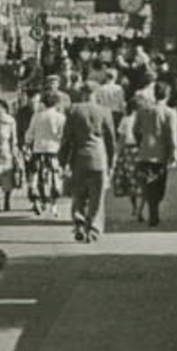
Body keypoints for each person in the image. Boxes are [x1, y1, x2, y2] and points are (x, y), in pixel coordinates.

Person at [59, 82, 117, 242]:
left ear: (82, 93)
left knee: (79, 193)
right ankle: (92, 228)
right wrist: (112, 162)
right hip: (99, 158)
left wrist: (62, 161)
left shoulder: (73, 110)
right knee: (97, 196)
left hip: (78, 158)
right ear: (96, 94)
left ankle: (78, 219)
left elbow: (66, 139)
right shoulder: (105, 111)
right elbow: (111, 140)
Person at [131, 81, 177, 227]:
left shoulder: (143, 110)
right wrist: (174, 153)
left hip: (145, 152)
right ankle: (154, 212)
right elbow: (172, 135)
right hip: (161, 154)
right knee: (158, 185)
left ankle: (153, 211)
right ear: (168, 95)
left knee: (148, 184)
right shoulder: (170, 113)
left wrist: (141, 142)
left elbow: (135, 130)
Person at [24, 90, 66, 217]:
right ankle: (54, 206)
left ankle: (36, 201)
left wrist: (27, 143)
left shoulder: (37, 116)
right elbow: (62, 135)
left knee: (35, 176)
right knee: (55, 177)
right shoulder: (60, 117)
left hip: (38, 149)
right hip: (53, 150)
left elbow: (30, 133)